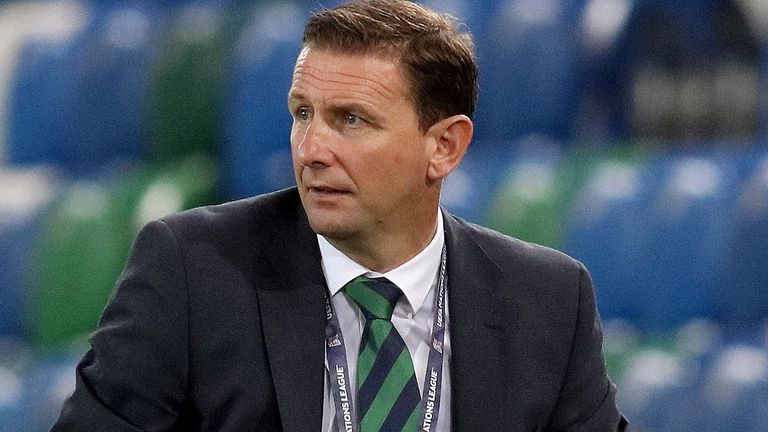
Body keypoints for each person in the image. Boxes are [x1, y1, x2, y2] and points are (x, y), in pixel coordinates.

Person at [52, 1, 630, 431]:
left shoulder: (548, 302)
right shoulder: (193, 272)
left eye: (351, 119)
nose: (311, 149)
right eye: (303, 114)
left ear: (445, 147)